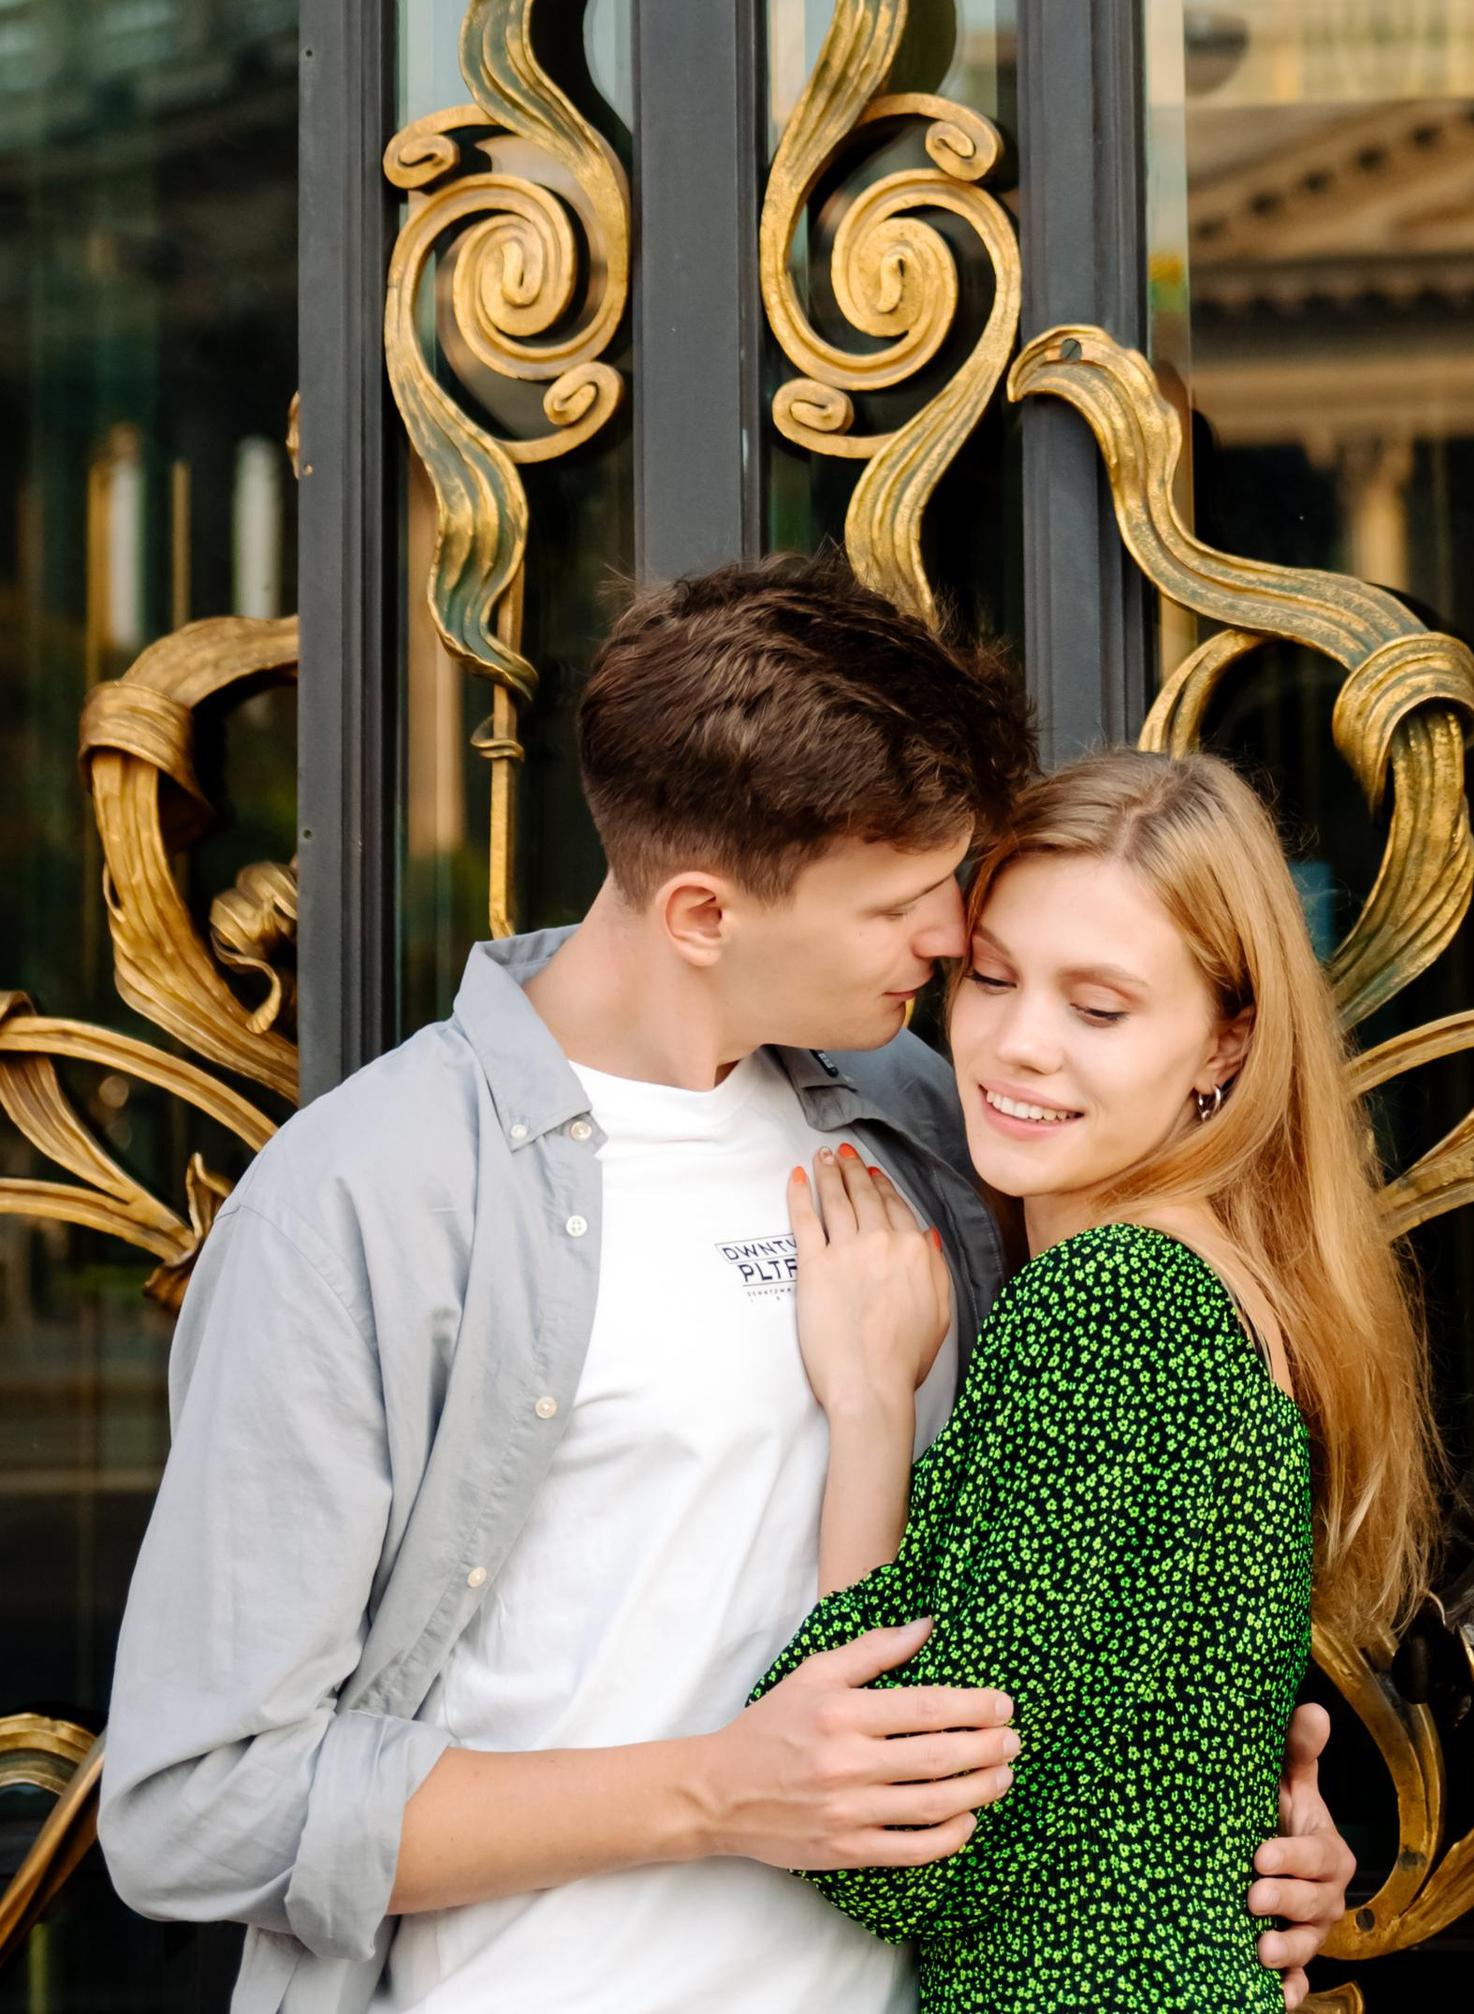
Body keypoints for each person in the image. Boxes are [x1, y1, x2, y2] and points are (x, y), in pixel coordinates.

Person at [99, 555, 1360, 2014]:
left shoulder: (949, 1129)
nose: (955, 944)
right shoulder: (361, 1203)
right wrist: (711, 1791)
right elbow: (198, 1809)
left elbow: (1079, 1603)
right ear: (702, 912)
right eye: (904, 902)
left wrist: (1206, 1844)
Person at [754, 745, 1439, 2014]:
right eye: (992, 977)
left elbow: (894, 1823)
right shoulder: (1217, 1287)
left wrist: (869, 1408)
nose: (1018, 1046)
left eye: (1099, 1007)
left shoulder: (1115, 1306)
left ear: (1227, 1040)